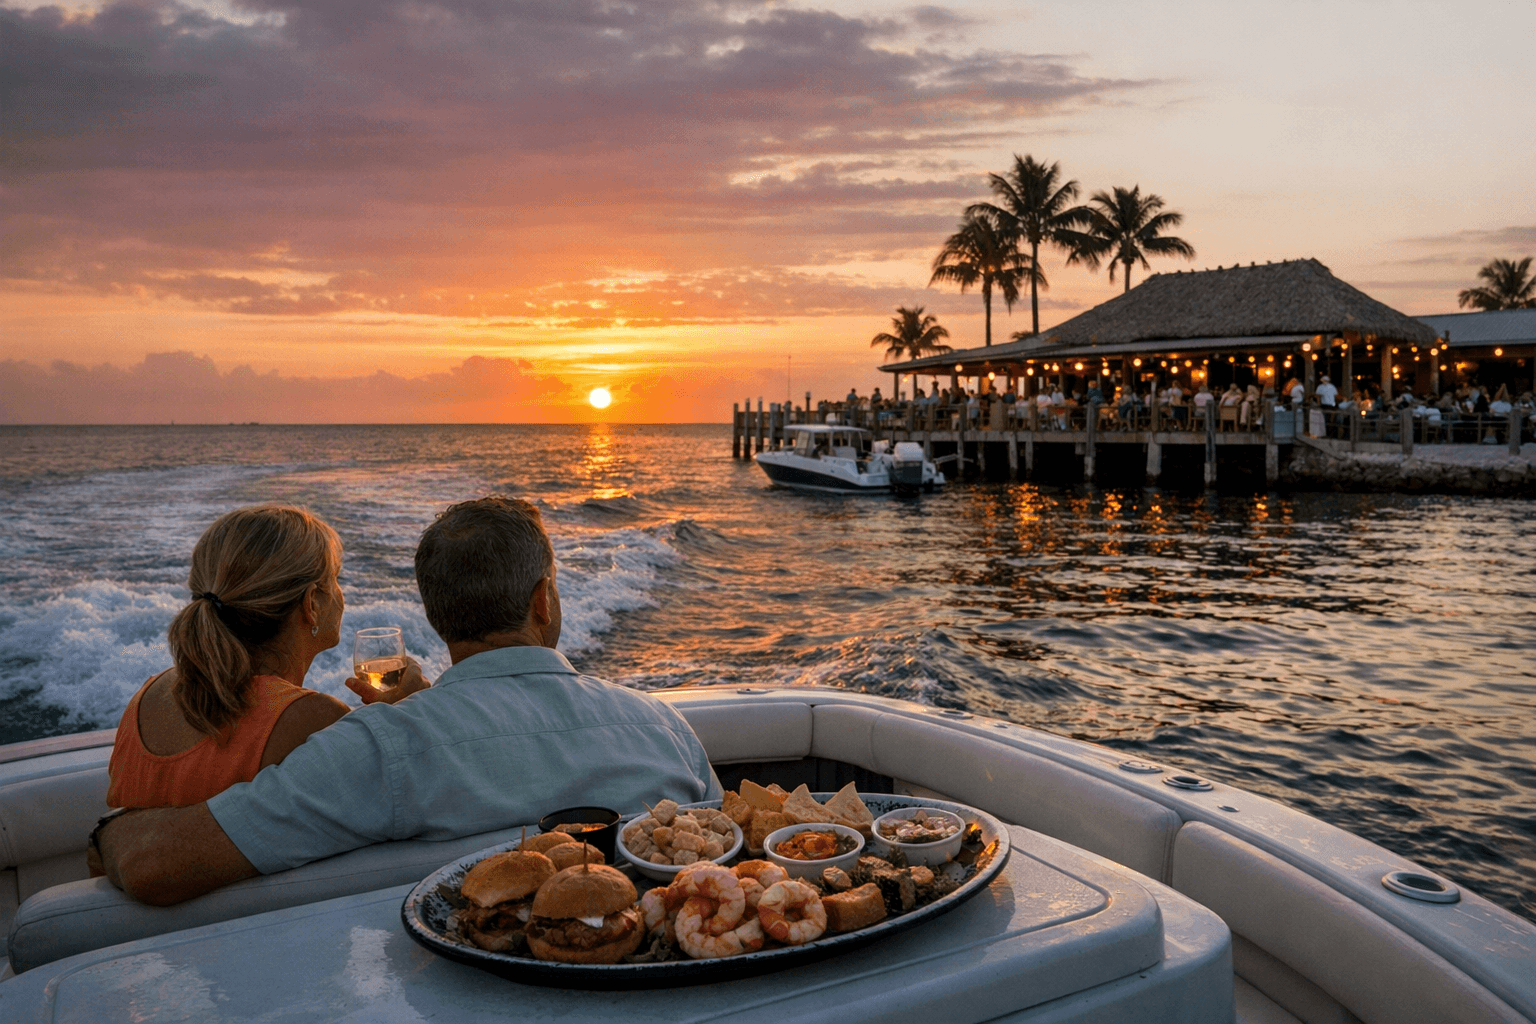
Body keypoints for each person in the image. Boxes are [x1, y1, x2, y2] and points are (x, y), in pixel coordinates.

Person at [96, 496, 720, 906]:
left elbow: (155, 864)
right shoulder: (665, 727)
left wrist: (108, 832)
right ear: (543, 601)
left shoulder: (377, 749)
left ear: (436, 614)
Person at [105, 505, 425, 816]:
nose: (342, 595)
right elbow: (411, 806)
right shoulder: (312, 720)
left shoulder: (146, 698)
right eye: (336, 578)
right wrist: (406, 714)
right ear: (311, 603)